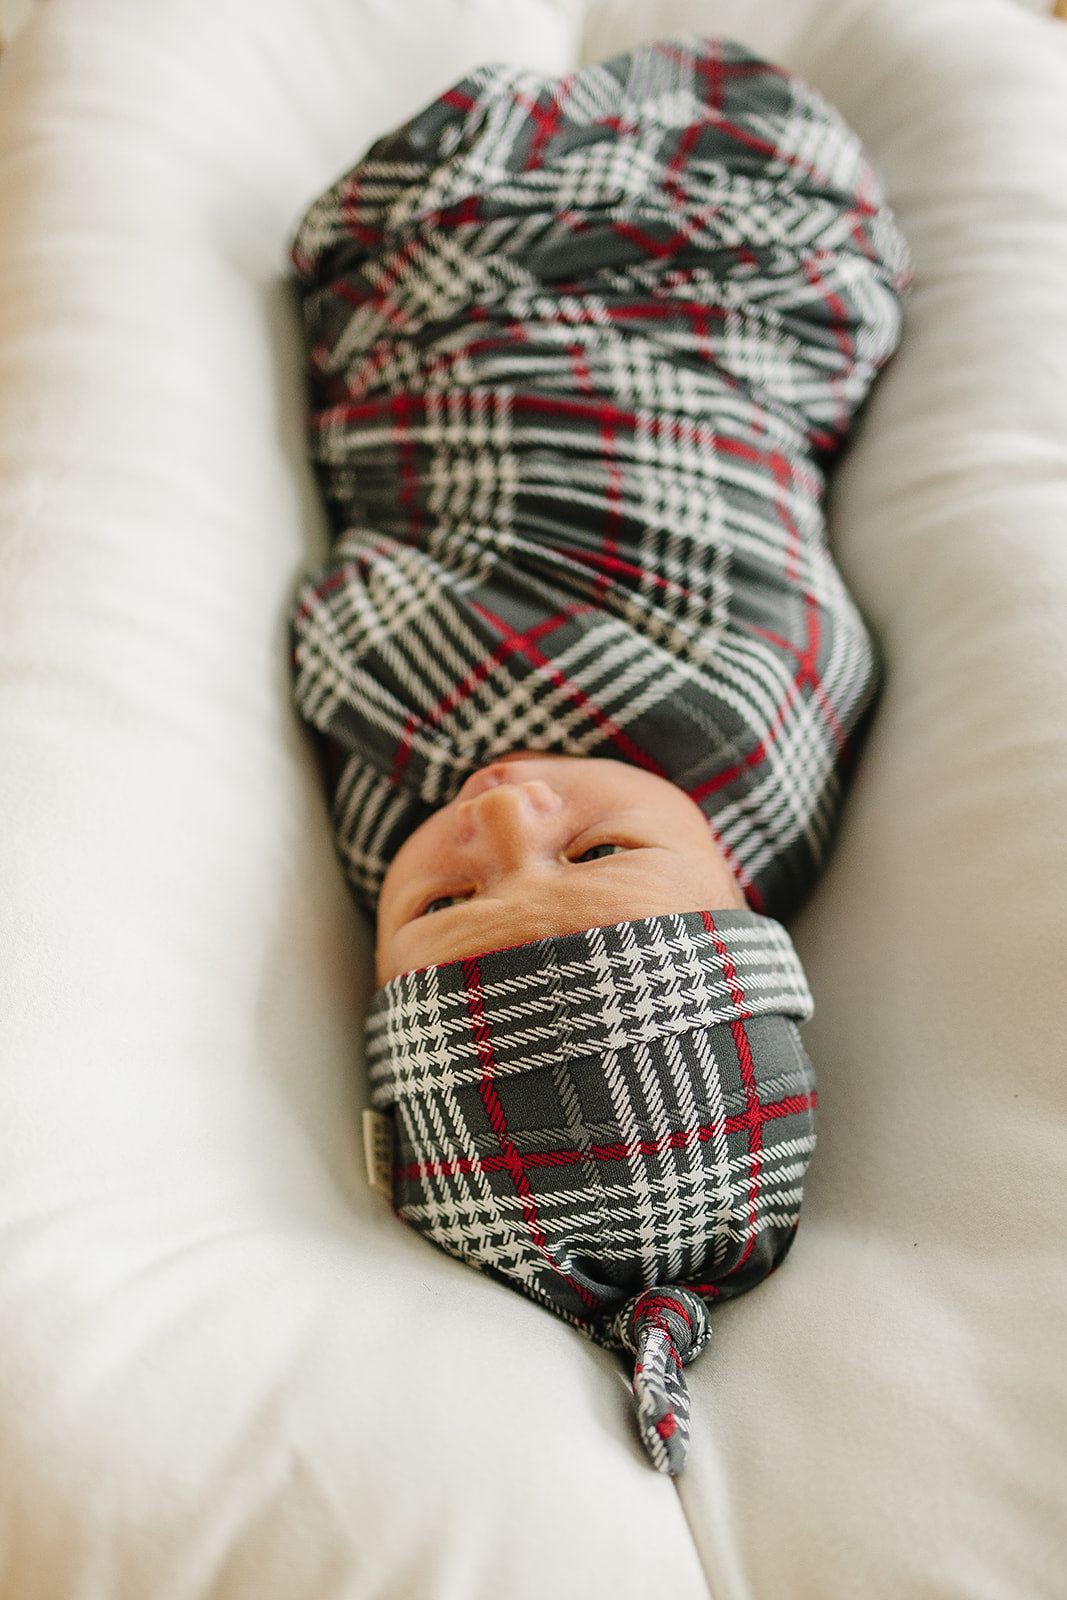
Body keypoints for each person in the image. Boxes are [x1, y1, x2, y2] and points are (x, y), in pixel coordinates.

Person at [289, 35, 910, 1472]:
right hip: (690, 356)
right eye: (599, 851)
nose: (503, 814)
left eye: (442, 905)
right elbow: (805, 622)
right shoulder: (746, 752)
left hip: (453, 373)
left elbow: (350, 595)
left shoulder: (389, 801)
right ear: (744, 905)